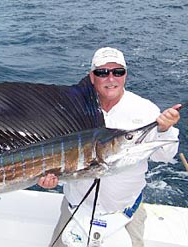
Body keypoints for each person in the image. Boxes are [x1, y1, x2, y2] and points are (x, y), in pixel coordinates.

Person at [38, 47, 180, 247]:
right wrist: (51, 179)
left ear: (125, 76)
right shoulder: (74, 110)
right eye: (102, 72)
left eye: (117, 72)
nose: (110, 78)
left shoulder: (145, 109)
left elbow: (165, 156)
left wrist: (164, 130)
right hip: (76, 208)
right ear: (92, 77)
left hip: (126, 212)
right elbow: (60, 162)